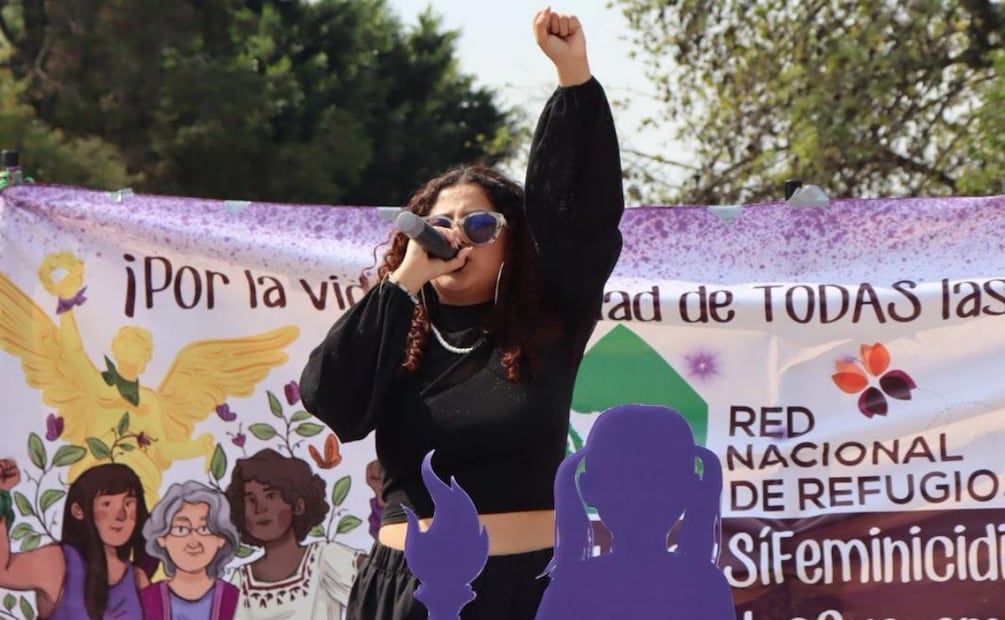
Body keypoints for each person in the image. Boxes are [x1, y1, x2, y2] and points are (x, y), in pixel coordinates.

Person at [299, 7, 624, 619]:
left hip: (530, 590)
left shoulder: (549, 322)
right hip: (411, 594)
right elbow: (330, 398)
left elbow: (581, 217)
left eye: (478, 225)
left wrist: (574, 80)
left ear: (513, 244)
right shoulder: (395, 329)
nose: (456, 237)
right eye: (440, 224)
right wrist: (404, 280)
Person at [535, 404, 736, 620]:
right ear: (690, 489)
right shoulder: (706, 583)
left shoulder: (571, 585)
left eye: (656, 482)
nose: (644, 494)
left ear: (588, 488)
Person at [0, 460, 154, 619]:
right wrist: (1, 495)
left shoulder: (137, 578)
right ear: (78, 511)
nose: (121, 515)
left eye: (128, 503)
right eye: (107, 504)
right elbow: (2, 572)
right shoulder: (58, 562)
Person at [224, 448, 360, 619]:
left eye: (271, 496)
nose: (260, 509)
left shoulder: (323, 559)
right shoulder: (240, 580)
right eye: (250, 500)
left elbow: (381, 583)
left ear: (298, 505)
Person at [141, 480, 241, 619]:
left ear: (221, 538)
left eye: (204, 529)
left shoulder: (235, 599)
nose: (193, 542)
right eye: (181, 529)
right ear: (162, 538)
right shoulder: (146, 600)